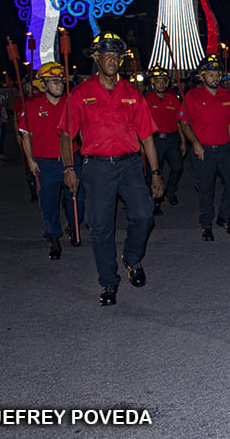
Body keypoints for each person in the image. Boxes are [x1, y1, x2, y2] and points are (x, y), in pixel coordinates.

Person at [58, 32, 164, 306]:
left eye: (116, 56)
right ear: (96, 57)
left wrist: (155, 173)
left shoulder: (132, 93)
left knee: (144, 215)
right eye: (106, 55)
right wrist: (69, 167)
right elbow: (67, 135)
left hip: (129, 165)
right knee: (101, 226)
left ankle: (131, 258)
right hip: (97, 167)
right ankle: (108, 280)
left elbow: (147, 136)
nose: (112, 60)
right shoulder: (80, 94)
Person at [19, 62, 85, 259]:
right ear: (44, 84)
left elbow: (82, 130)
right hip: (45, 163)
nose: (60, 84)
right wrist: (31, 160)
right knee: (48, 203)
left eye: (61, 81)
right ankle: (53, 237)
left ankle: (73, 226)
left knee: (76, 199)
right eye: (54, 81)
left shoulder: (71, 102)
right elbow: (25, 136)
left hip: (71, 160)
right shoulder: (32, 106)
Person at [178, 55, 230, 241]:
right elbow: (184, 123)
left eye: (217, 74)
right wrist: (195, 144)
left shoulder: (226, 96)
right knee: (206, 189)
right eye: (211, 74)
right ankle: (206, 224)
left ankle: (224, 216)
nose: (215, 78)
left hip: (223, 148)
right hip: (203, 149)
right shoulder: (192, 96)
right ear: (202, 76)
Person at [144, 65, 185, 215]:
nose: (161, 84)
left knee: (177, 167)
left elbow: (179, 122)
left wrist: (182, 141)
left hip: (172, 138)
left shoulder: (173, 100)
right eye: (158, 81)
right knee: (154, 171)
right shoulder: (146, 100)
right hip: (154, 140)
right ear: (152, 83)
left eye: (163, 81)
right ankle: (155, 201)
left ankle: (170, 190)